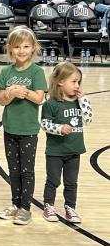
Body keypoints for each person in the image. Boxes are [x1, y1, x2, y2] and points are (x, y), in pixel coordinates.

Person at [0, 26, 47, 225]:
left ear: (33, 48)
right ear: (10, 48)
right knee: (13, 170)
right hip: (9, 128)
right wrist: (9, 94)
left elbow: (39, 98)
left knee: (27, 170)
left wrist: (22, 92)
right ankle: (15, 204)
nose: (22, 50)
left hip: (28, 131)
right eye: (17, 47)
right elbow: (1, 100)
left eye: (26, 46)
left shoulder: (37, 72)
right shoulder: (5, 71)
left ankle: (26, 208)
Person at [40, 62, 92, 224]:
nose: (77, 85)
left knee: (71, 182)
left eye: (78, 82)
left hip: (74, 150)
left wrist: (83, 100)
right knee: (53, 180)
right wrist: (59, 128)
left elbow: (89, 119)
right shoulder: (50, 104)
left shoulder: (78, 102)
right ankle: (48, 206)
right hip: (55, 151)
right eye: (74, 81)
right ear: (61, 81)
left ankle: (70, 207)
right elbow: (44, 124)